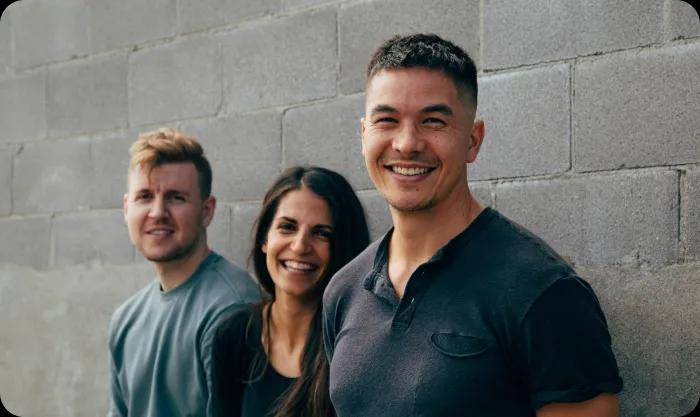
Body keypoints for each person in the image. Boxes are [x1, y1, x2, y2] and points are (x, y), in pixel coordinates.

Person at [322, 34, 623, 417]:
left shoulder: (543, 292)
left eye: (433, 121)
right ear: (364, 135)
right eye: (387, 121)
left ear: (473, 141)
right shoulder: (343, 291)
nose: (407, 143)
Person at [107, 128, 259, 417]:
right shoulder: (125, 320)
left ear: (206, 210)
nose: (157, 212)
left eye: (176, 197)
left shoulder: (233, 308)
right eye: (144, 196)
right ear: (127, 208)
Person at [210, 166, 370, 417]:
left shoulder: (357, 345)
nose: (299, 246)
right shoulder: (233, 333)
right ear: (265, 240)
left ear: (343, 247)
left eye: (321, 233)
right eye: (287, 227)